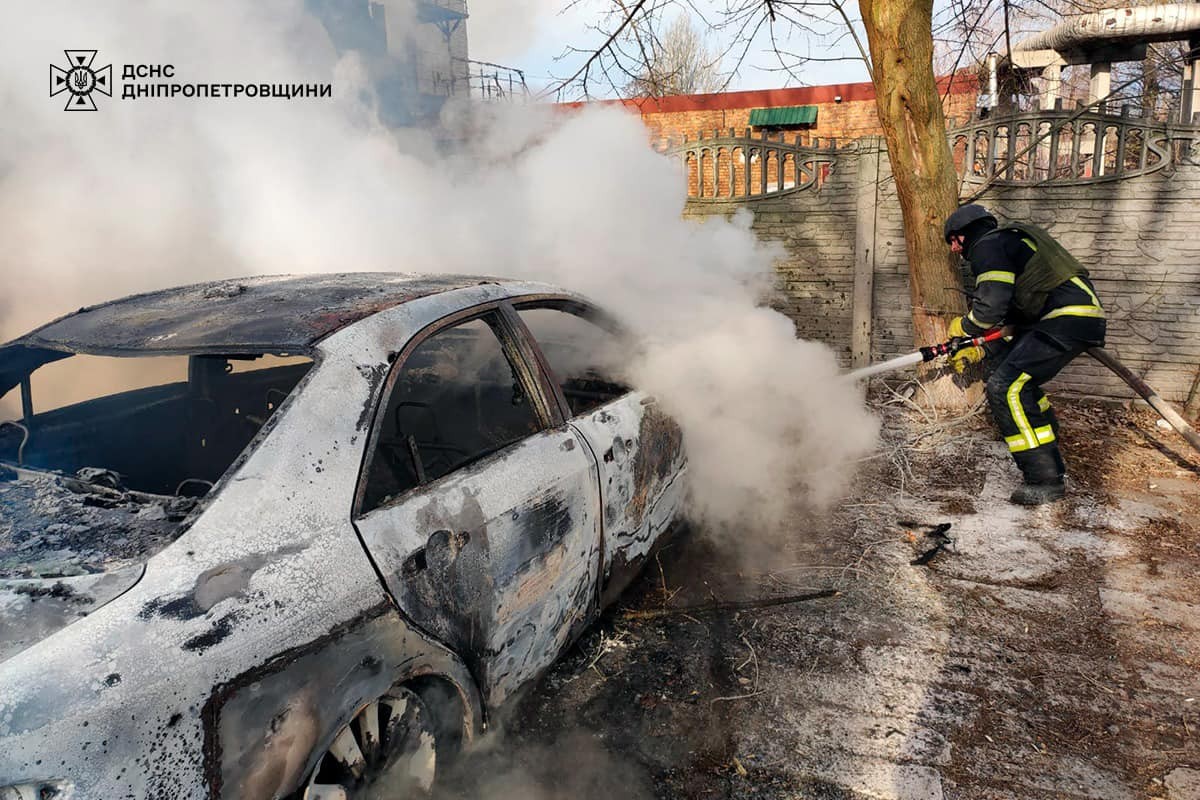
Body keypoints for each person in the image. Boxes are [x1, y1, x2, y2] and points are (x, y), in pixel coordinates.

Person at [942, 203, 1106, 505]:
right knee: (1011, 374)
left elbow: (990, 309)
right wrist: (983, 350)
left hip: (1064, 319)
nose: (954, 249)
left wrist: (963, 327)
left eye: (953, 240)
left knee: (1006, 388)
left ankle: (1045, 478)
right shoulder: (1010, 242)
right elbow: (1012, 317)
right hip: (1066, 317)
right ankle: (1047, 439)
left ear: (966, 234)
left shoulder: (988, 246)